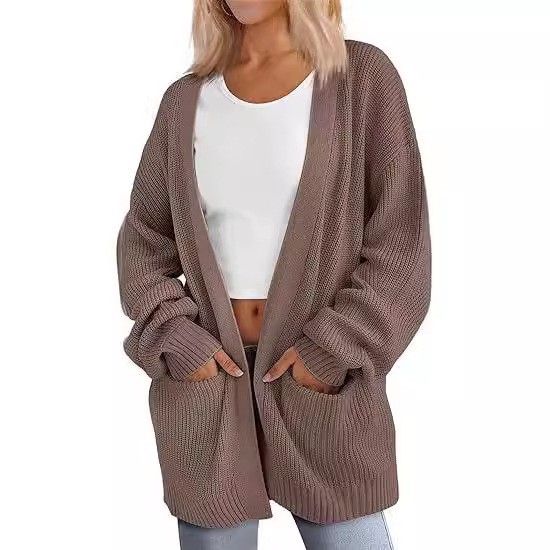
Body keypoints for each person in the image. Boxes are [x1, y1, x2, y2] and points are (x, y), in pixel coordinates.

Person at [116, 1, 431, 548]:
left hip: (321, 383)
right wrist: (180, 343)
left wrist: (329, 352)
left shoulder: (361, 80)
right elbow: (144, 241)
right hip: (210, 390)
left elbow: (400, 244)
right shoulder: (184, 102)